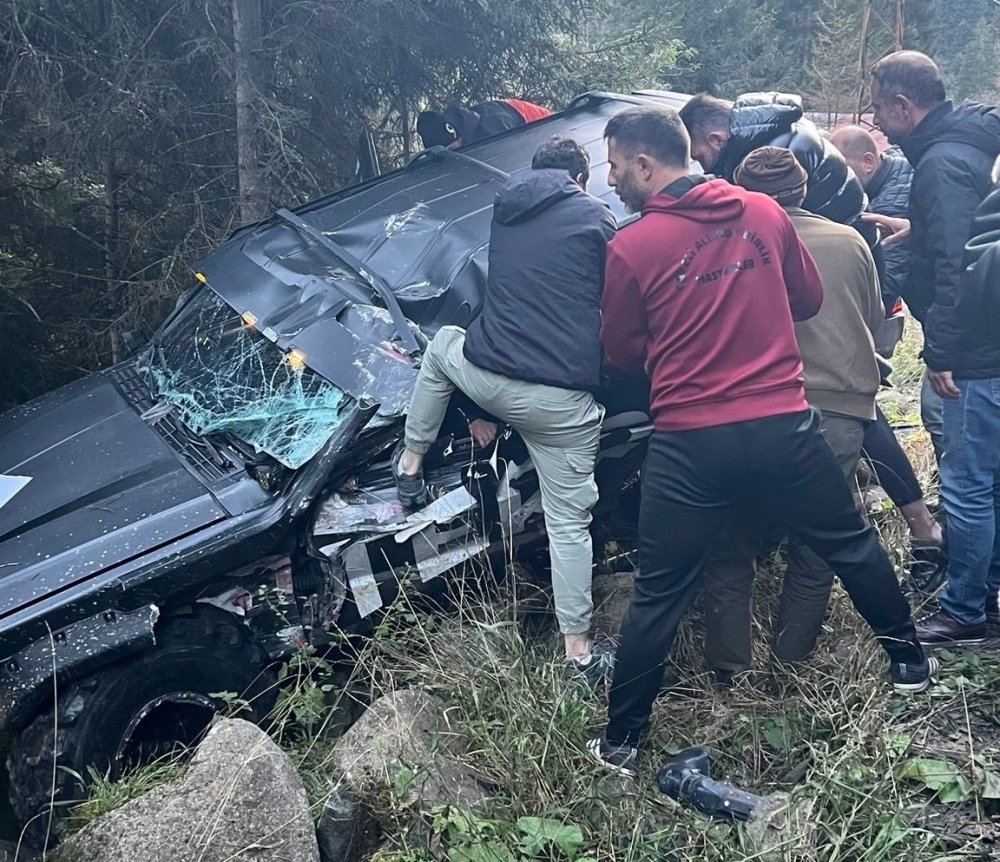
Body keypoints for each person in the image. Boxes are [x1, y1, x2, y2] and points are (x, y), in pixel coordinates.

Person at [586, 105, 933, 776]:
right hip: (782, 424)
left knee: (660, 589)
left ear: (645, 164)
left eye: (615, 165)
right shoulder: (763, 215)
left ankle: (622, 742)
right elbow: (803, 301)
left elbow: (622, 353)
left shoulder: (630, 246)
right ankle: (910, 662)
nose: (611, 178)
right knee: (849, 544)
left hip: (690, 442)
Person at [393, 136, 616, 675]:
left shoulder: (505, 209)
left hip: (489, 377)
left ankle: (409, 464)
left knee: (443, 345)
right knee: (568, 524)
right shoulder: (596, 216)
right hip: (559, 403)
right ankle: (578, 653)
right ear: (580, 179)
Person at [701, 146, 885, 676]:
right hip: (839, 410)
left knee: (733, 543)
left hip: (752, 412)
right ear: (806, 190)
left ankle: (728, 673)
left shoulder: (726, 250)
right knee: (817, 546)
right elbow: (876, 325)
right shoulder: (849, 241)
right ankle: (790, 663)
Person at [863, 51, 1000, 646]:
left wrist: (941, 351)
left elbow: (956, 264)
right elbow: (972, 230)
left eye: (878, 107)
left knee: (968, 484)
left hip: (974, 351)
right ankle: (985, 587)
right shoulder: (966, 146)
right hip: (987, 339)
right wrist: (915, 230)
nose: (876, 120)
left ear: (904, 105)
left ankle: (968, 610)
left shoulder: (941, 162)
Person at [829, 124, 946, 580]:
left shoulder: (891, 201)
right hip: (939, 325)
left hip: (947, 333)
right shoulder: (886, 188)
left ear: (868, 163)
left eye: (841, 170)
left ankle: (942, 537)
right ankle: (936, 526)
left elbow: (885, 287)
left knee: (914, 420)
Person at [678, 91, 865, 225]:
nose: (705, 169)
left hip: (847, 246)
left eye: (700, 157)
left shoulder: (776, 157)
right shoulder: (774, 131)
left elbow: (766, 228)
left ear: (716, 140)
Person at [417, 99, 551, 149]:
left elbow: (513, 157)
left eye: (452, 148)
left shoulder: (494, 129)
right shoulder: (461, 124)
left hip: (543, 128)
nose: (455, 152)